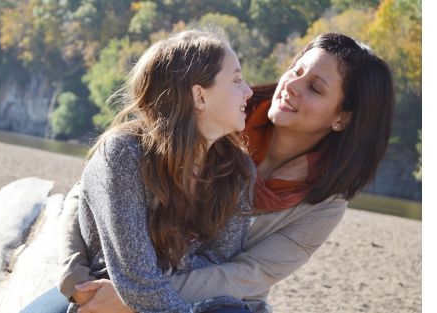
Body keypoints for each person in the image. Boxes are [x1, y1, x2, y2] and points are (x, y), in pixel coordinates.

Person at [25, 32, 394, 313]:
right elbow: (93, 189)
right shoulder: (212, 112)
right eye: (296, 70)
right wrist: (73, 269)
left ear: (342, 118)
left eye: (314, 87)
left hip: (218, 299)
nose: (291, 86)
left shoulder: (323, 203)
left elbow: (245, 274)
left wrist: (136, 295)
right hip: (119, 272)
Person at [21, 28, 256, 313]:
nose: (248, 91)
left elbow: (220, 260)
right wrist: (169, 274)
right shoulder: (123, 155)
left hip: (164, 298)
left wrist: (163, 271)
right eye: (236, 80)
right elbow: (137, 282)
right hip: (101, 295)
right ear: (199, 96)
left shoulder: (238, 169)